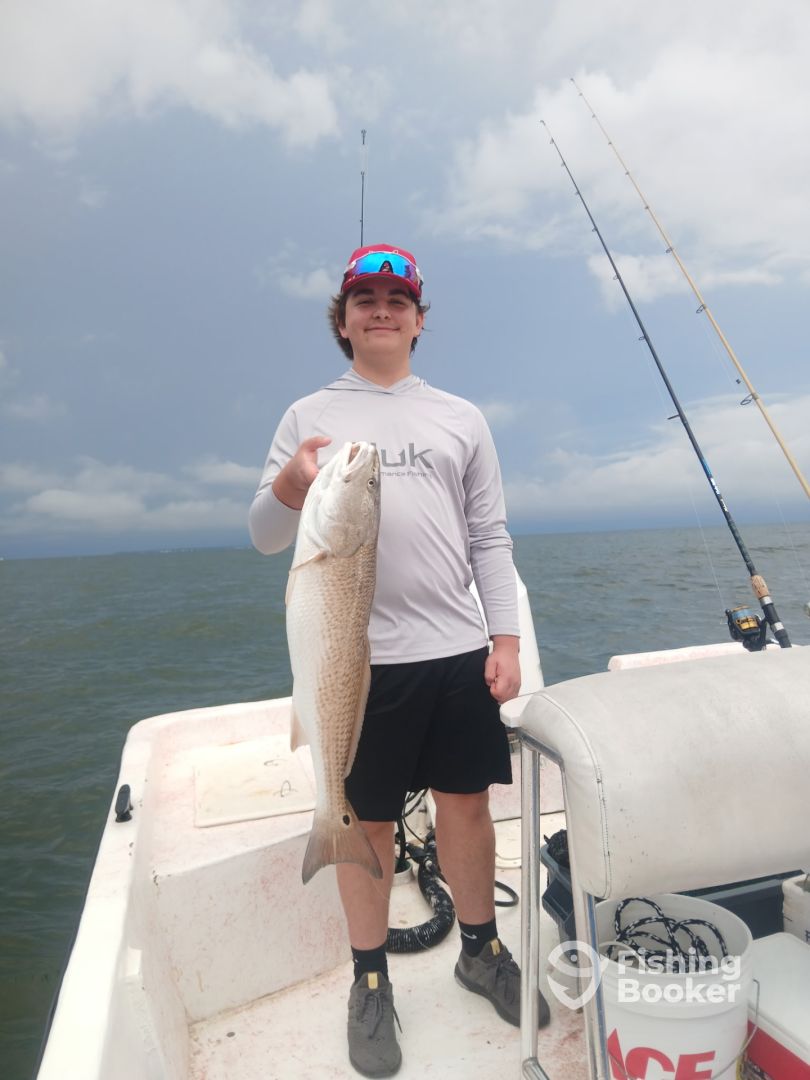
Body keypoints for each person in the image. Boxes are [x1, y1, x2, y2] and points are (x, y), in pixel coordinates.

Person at [249, 243, 550, 1077]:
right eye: (364, 298)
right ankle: (370, 977)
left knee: (466, 808)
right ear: (343, 322)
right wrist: (292, 483)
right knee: (367, 819)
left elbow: (489, 536)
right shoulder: (308, 414)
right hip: (354, 662)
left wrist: (505, 639)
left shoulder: (460, 417)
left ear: (418, 321)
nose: (381, 308)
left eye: (397, 298)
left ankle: (481, 949)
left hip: (455, 652)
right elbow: (264, 535)